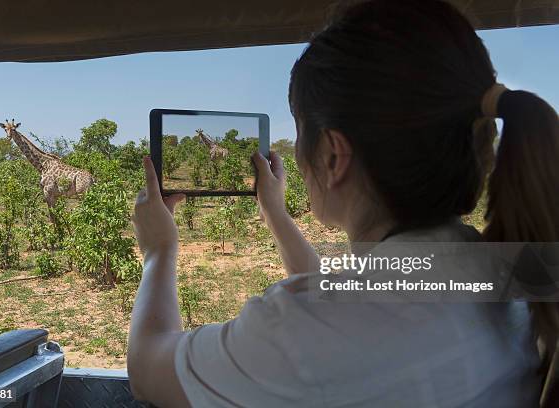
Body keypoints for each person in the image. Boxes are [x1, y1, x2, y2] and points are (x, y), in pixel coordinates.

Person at [127, 0, 559, 406]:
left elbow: (147, 366)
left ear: (334, 156)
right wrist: (276, 215)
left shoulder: (302, 334)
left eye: (299, 132)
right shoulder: (514, 273)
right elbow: (344, 305)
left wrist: (159, 253)